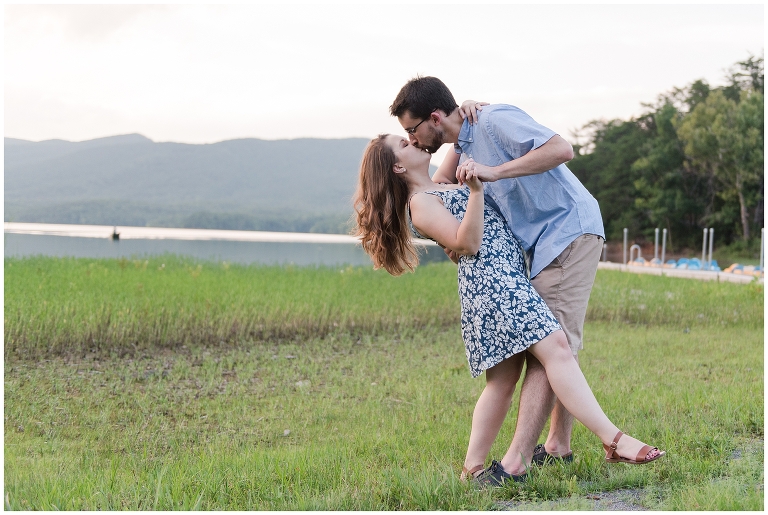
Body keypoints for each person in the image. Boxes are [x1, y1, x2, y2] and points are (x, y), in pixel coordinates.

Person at [352, 134, 664, 486]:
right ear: (397, 166)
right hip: (495, 287)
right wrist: (475, 193)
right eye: (405, 145)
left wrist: (467, 109)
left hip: (506, 279)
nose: (414, 142)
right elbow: (466, 243)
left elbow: (458, 136)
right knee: (557, 349)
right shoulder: (420, 203)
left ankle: (473, 470)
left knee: (502, 381)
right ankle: (614, 440)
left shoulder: (438, 184)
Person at [390, 76, 605, 480]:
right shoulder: (464, 142)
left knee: (551, 344)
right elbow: (436, 195)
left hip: (566, 231)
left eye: (412, 130)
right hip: (539, 246)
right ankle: (557, 445)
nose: (413, 139)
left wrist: (494, 173)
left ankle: (516, 463)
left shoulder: (493, 120)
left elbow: (562, 149)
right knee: (555, 344)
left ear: (433, 118)